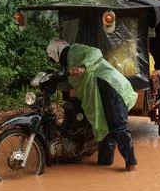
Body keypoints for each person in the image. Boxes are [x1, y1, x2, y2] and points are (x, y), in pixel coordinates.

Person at [47, 38, 138, 171]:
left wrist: (83, 66)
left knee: (118, 127)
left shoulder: (75, 50)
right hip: (98, 97)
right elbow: (66, 84)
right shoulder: (68, 68)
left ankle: (131, 164)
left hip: (109, 86)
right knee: (103, 131)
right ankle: (105, 163)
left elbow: (95, 53)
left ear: (56, 52)